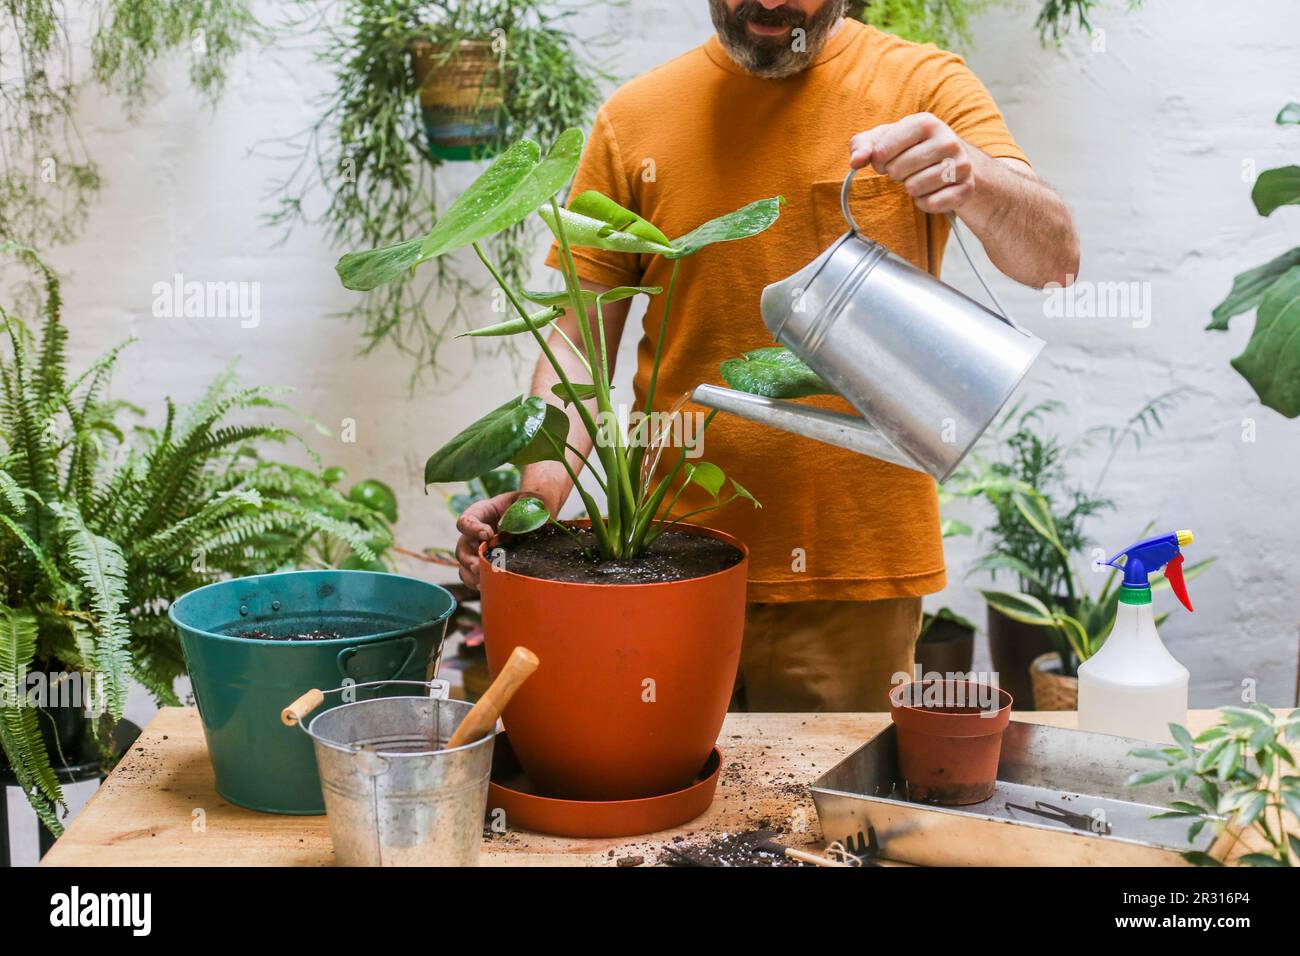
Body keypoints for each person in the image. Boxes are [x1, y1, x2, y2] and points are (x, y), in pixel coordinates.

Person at [455, 0, 1079, 711]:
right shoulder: (635, 120)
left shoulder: (923, 85)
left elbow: (1053, 258)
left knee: (832, 819)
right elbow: (578, 343)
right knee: (668, 811)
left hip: (855, 579)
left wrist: (978, 180)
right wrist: (537, 498)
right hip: (663, 566)